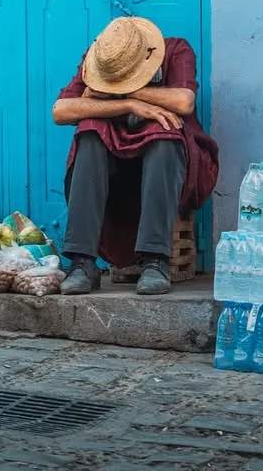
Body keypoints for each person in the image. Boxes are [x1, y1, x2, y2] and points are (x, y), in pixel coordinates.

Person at [52, 16, 218, 297]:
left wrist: (128, 92)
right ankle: (82, 262)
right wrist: (128, 105)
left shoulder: (175, 50)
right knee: (91, 130)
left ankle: (155, 261)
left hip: (167, 166)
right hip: (113, 170)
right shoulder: (101, 59)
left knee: (163, 129)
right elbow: (61, 111)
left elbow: (184, 102)